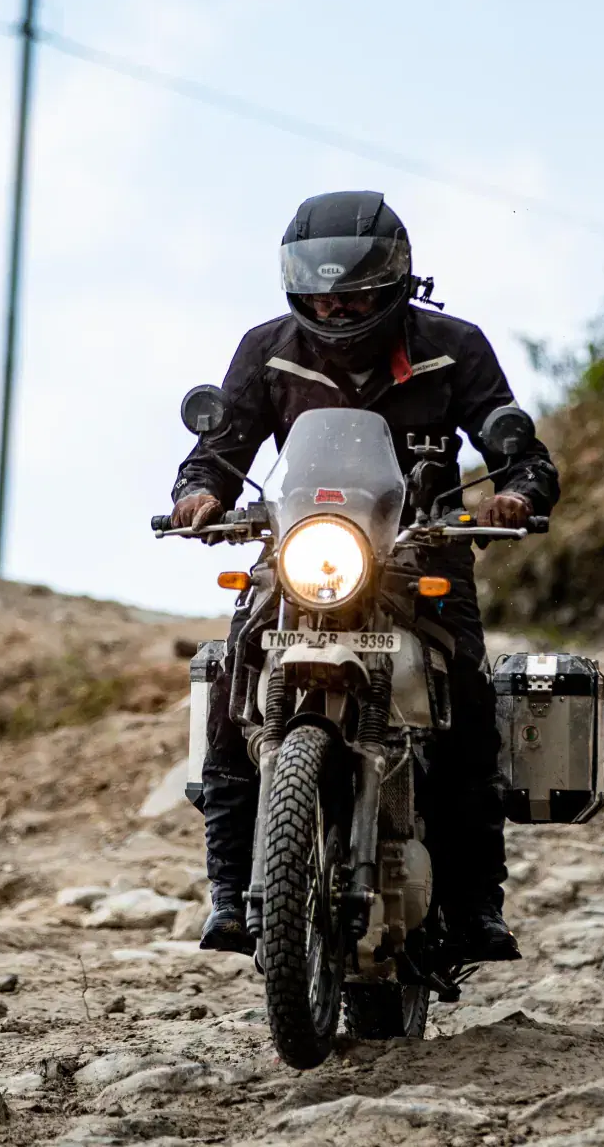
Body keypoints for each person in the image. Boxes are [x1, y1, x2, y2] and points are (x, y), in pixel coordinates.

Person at [170, 191, 559, 964]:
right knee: (235, 680)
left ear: (393, 284)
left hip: (422, 550)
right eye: (319, 293)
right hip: (302, 550)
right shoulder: (268, 349)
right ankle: (229, 890)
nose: (333, 306)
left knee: (469, 699)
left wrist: (516, 491)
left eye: (350, 293)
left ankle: (476, 903)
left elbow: (521, 452)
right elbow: (218, 451)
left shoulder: (451, 346)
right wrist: (200, 492)